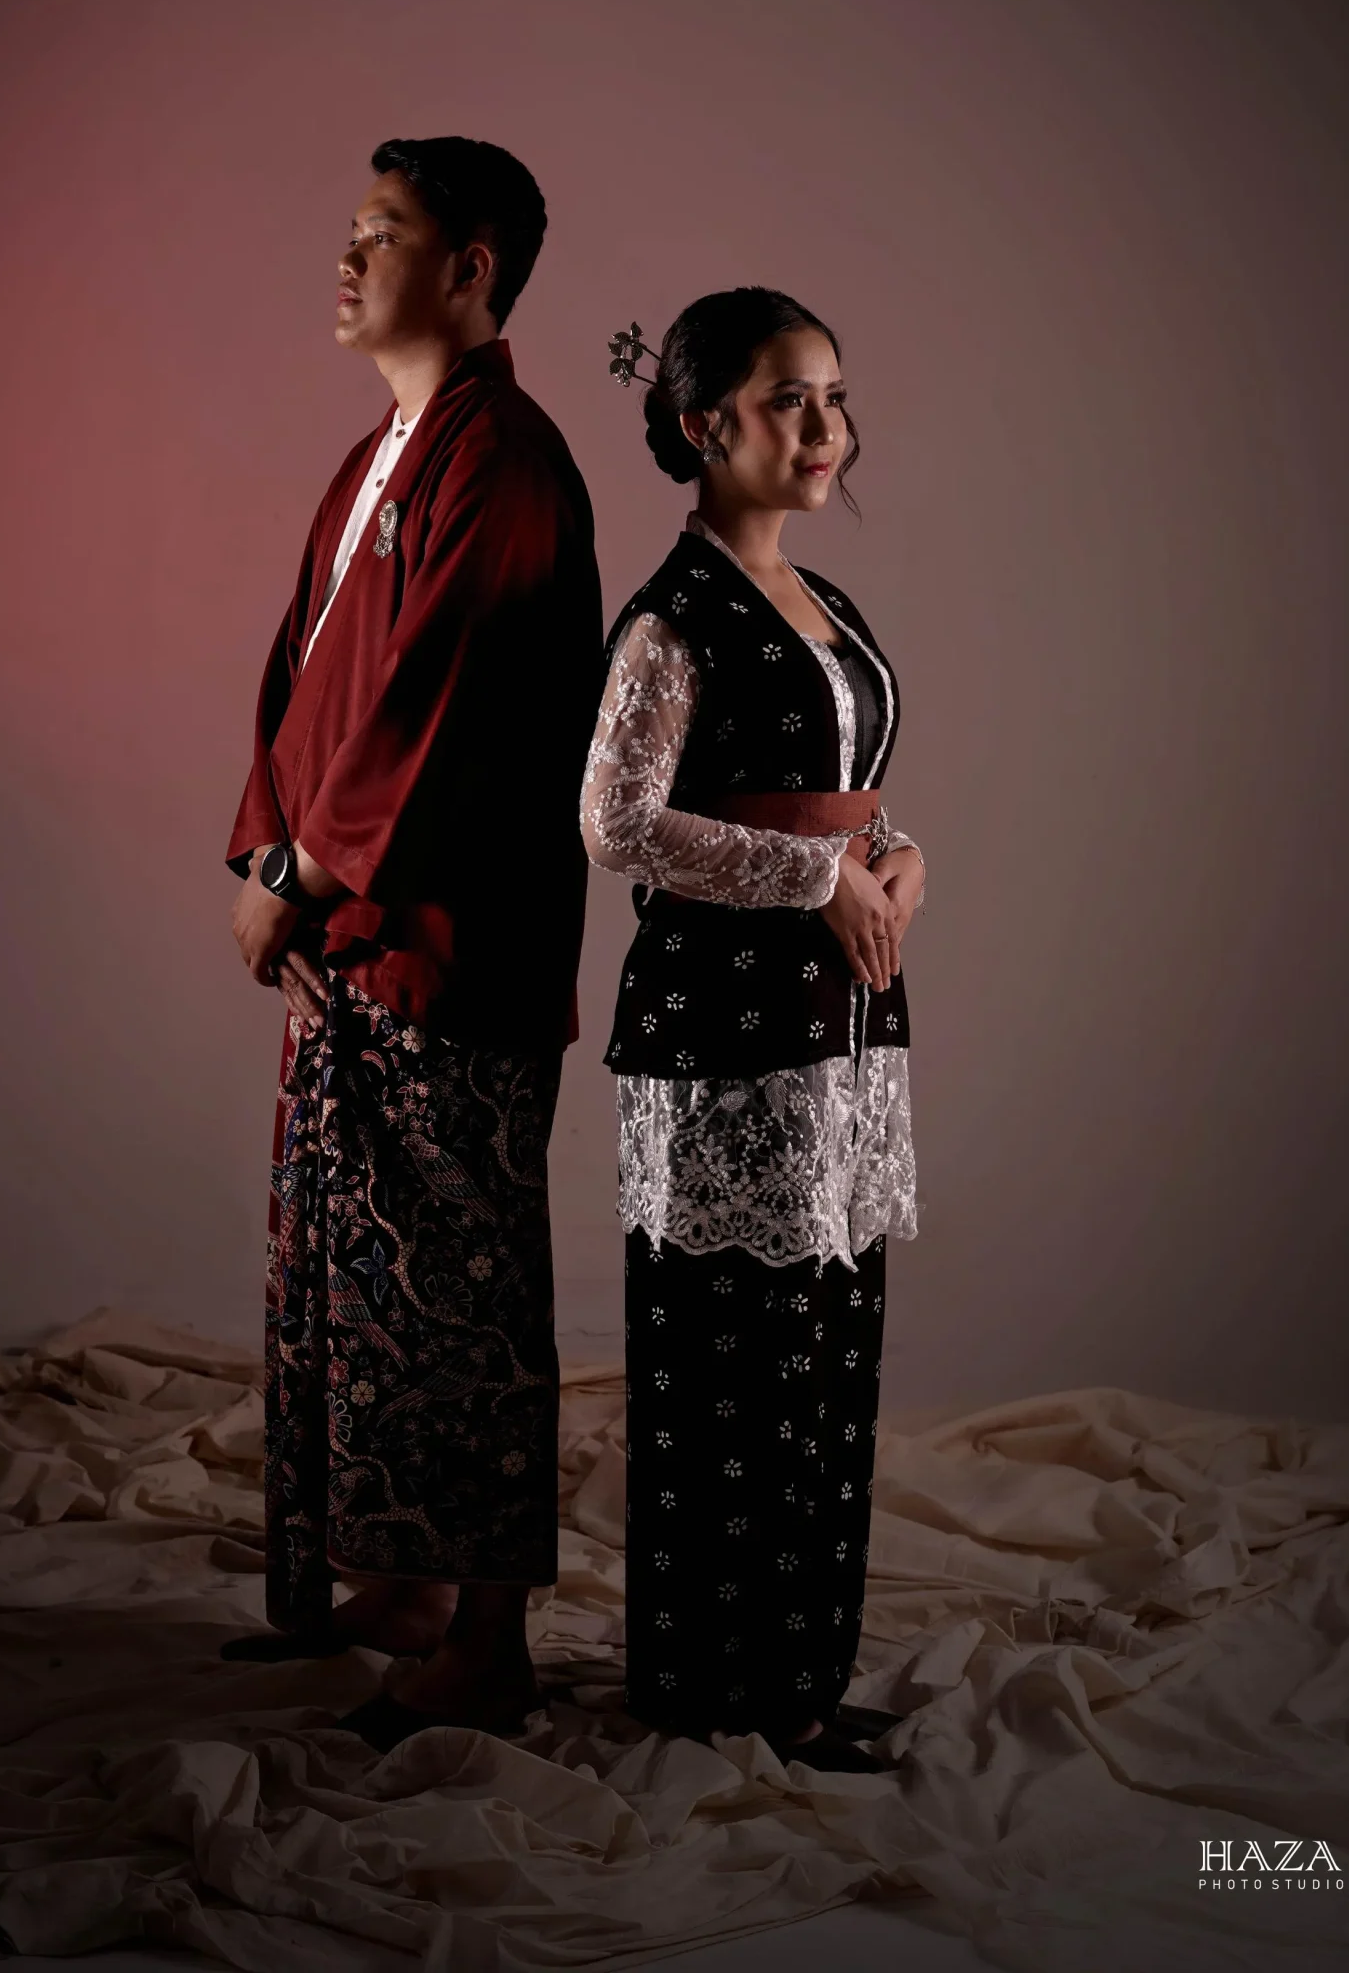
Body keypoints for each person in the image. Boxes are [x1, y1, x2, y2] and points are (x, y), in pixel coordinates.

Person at [224, 136, 601, 1749]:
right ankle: (401, 1579)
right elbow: (302, 684)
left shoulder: (500, 460)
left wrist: (303, 873)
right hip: (353, 926)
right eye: (350, 231)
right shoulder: (382, 453)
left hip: (452, 944)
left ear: (470, 267)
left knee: (461, 1288)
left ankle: (491, 1642)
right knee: (355, 1275)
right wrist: (271, 856)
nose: (346, 258)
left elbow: (442, 700)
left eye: (378, 233)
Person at [581, 289, 926, 1770]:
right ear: (701, 422)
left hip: (839, 1015)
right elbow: (615, 823)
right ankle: (721, 1681)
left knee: (830, 1340)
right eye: (791, 399)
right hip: (723, 1021)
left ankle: (802, 1673)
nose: (826, 427)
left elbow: (842, 792)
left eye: (834, 397)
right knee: (736, 1353)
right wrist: (811, 879)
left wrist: (900, 861)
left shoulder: (825, 604)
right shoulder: (674, 617)